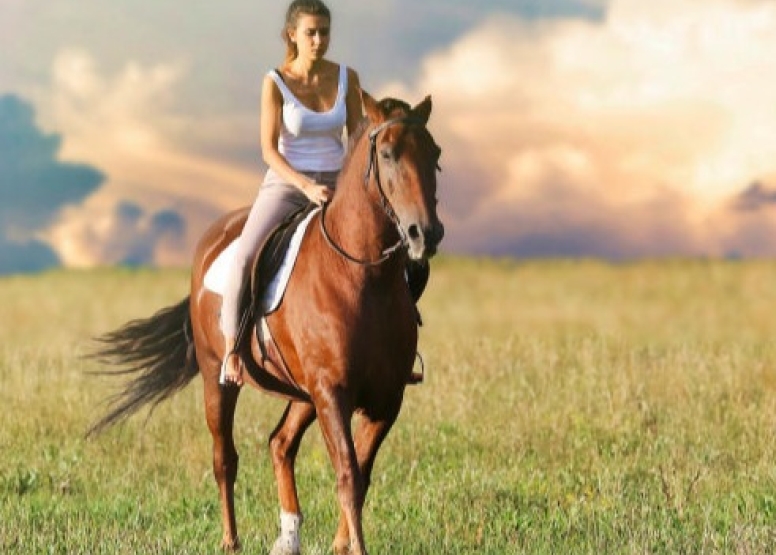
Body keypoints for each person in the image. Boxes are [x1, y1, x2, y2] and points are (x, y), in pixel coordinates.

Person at [220, 0, 363, 387]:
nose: (319, 40)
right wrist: (305, 186)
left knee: (389, 249)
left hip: (336, 182)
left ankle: (395, 347)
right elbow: (268, 149)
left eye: (325, 32)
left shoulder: (348, 78)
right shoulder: (276, 81)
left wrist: (347, 185)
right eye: (311, 32)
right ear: (292, 35)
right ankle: (232, 349)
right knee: (246, 254)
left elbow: (358, 139)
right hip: (287, 183)